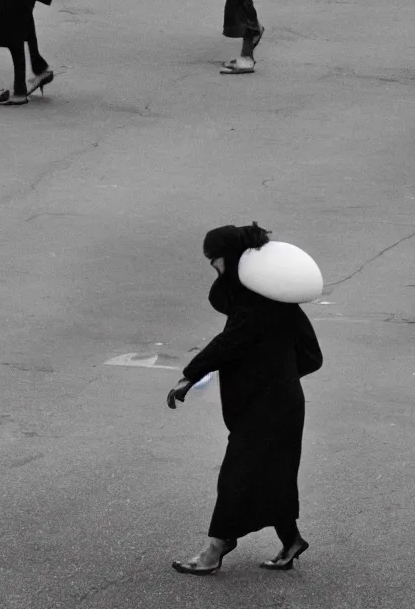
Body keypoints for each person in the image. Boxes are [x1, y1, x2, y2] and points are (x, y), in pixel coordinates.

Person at [166, 222, 323, 576]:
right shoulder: (278, 302)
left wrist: (190, 375)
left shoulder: (253, 305)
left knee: (238, 474)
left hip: (265, 408)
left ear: (232, 258)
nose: (213, 267)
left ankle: (215, 548)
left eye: (215, 260)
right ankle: (291, 540)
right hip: (283, 403)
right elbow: (313, 356)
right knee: (274, 473)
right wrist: (280, 377)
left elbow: (229, 343)